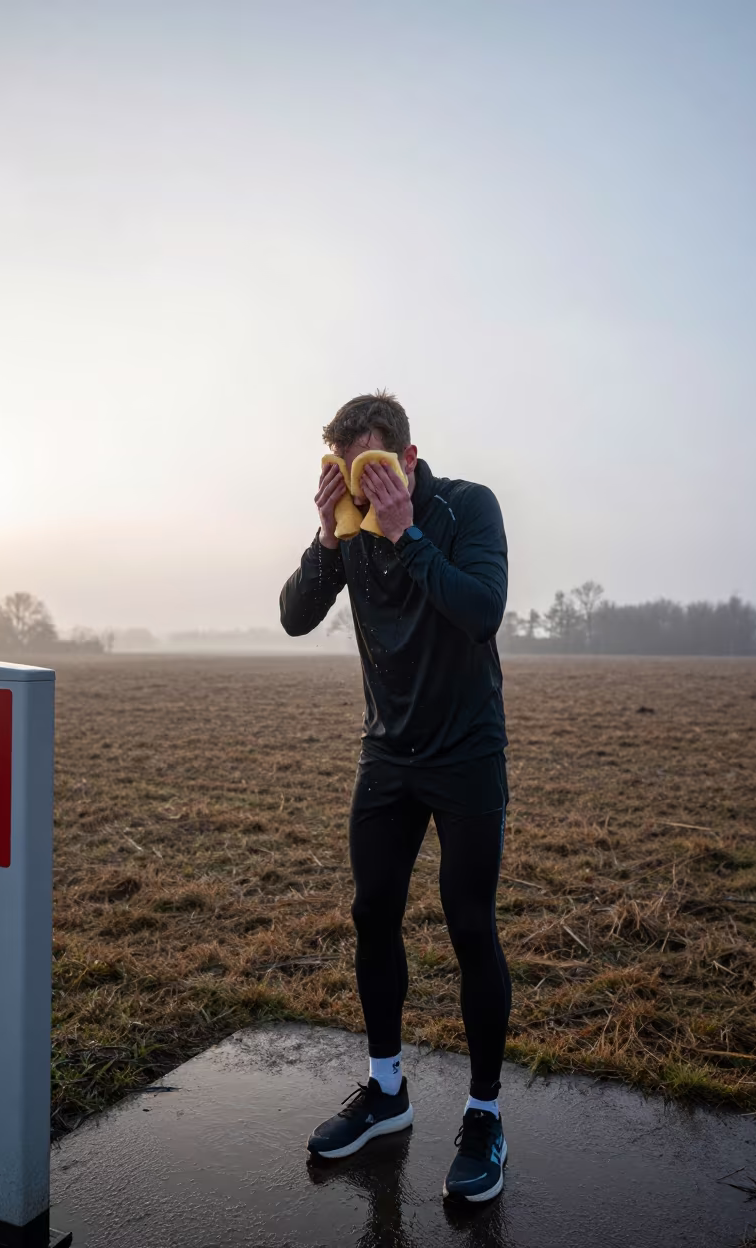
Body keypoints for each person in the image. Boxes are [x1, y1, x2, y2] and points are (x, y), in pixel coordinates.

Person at [279, 391, 512, 1203]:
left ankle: (484, 1116)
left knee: (470, 926)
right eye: (347, 472)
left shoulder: (466, 508)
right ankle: (387, 1092)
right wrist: (326, 537)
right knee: (372, 914)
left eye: (374, 467)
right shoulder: (349, 532)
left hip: (467, 752)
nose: (362, 486)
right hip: (388, 753)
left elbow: (481, 611)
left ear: (407, 460)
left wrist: (407, 532)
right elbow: (294, 618)